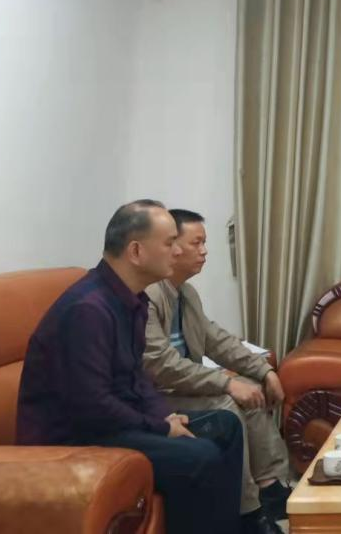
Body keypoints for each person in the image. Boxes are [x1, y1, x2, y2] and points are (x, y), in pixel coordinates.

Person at [17, 200, 244, 534]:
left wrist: (164, 416)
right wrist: (160, 428)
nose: (176, 252)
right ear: (136, 251)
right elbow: (92, 406)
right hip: (75, 439)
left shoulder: (131, 300)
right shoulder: (89, 309)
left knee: (226, 425)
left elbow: (137, 377)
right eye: (169, 243)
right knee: (200, 457)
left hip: (114, 422)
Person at [144, 208, 289, 534]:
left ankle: (270, 486)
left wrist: (263, 371)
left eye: (205, 243)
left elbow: (216, 339)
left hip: (185, 386)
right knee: (226, 404)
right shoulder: (149, 297)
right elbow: (161, 366)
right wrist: (225, 383)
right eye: (196, 243)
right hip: (158, 396)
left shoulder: (185, 293)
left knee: (251, 388)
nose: (205, 251)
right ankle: (248, 512)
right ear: (172, 246)